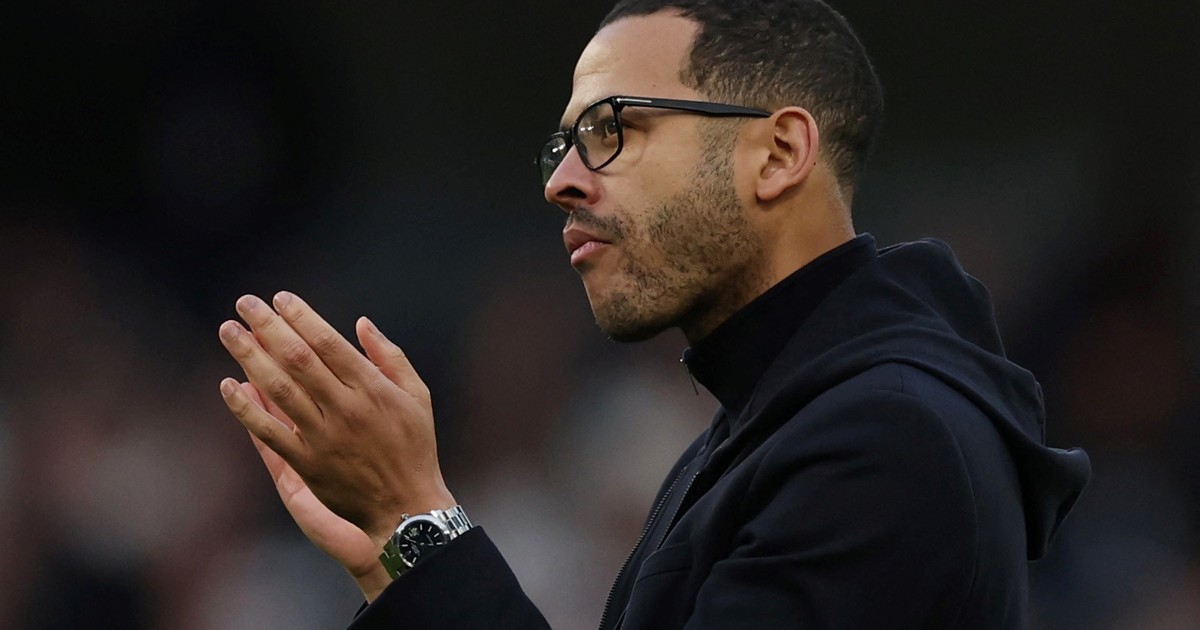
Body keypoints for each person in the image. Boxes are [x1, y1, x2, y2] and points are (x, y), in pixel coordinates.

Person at [217, 0, 1091, 628]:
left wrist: (417, 521)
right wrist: (397, 555)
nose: (561, 182)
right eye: (563, 144)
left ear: (778, 153)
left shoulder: (883, 440)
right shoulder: (772, 425)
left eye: (614, 129)